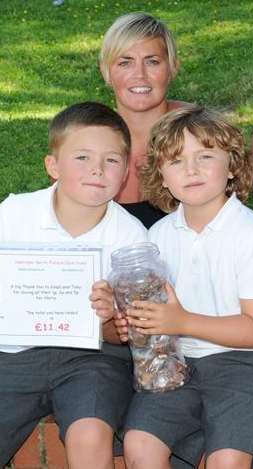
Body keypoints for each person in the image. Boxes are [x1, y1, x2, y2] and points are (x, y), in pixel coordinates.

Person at [121, 106, 253, 469]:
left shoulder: (252, 235)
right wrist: (135, 321)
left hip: (250, 363)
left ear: (232, 165)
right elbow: (159, 319)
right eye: (177, 161)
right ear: (161, 177)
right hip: (178, 361)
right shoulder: (157, 237)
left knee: (227, 460)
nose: (191, 169)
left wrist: (179, 321)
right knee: (139, 445)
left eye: (205, 156)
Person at [0, 102, 147, 468]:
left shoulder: (131, 238)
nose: (97, 169)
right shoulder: (14, 214)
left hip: (93, 358)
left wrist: (112, 317)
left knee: (91, 436)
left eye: (111, 160)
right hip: (14, 355)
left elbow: (121, 336)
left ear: (126, 172)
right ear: (53, 166)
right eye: (82, 157)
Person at [100, 12, 186, 227]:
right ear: (106, 71)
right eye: (125, 62)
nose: (140, 74)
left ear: (173, 67)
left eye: (152, 61)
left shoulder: (200, 132)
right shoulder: (86, 139)